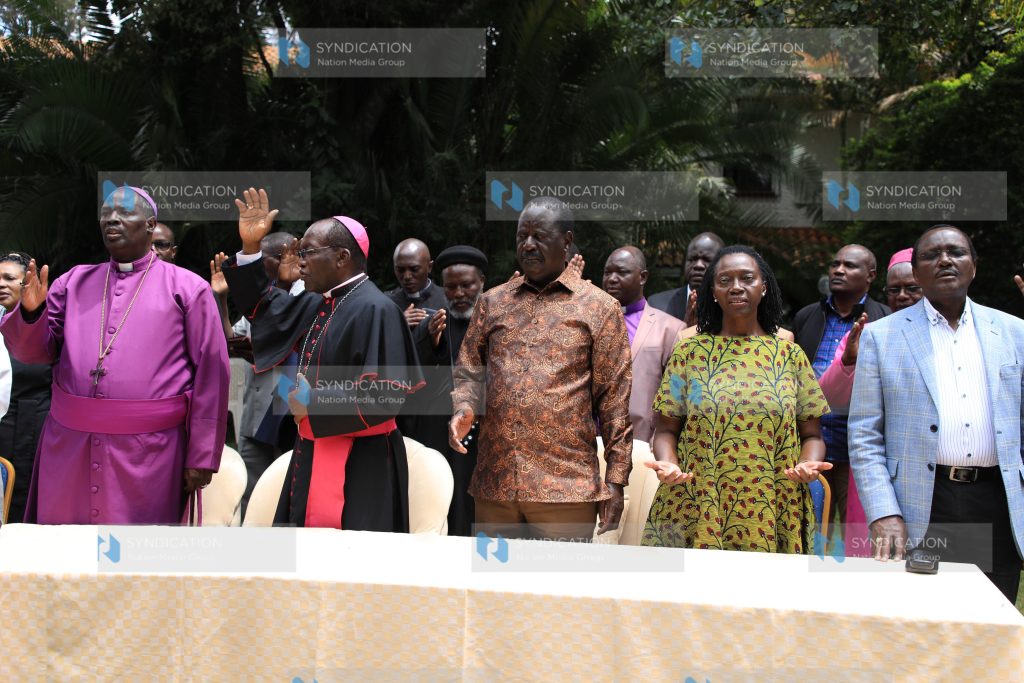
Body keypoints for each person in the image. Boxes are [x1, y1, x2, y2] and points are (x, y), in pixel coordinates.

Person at [0, 186, 229, 524]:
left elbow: (213, 373)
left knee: (138, 549)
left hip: (150, 453)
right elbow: (33, 353)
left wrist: (202, 454)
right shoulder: (73, 282)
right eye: (106, 214)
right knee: (65, 546)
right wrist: (32, 314)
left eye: (124, 213)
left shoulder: (188, 288)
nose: (112, 220)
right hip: (69, 448)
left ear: (150, 225)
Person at [222, 188, 423, 531]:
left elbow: (386, 397)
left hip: (362, 465)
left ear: (342, 257)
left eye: (308, 252)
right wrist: (251, 249)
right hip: (313, 451)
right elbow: (266, 311)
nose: (299, 261)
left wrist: (312, 402)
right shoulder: (322, 302)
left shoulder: (377, 309)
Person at [850, 225, 1024, 602]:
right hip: (921, 503)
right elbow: (864, 434)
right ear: (916, 271)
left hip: (997, 501)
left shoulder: (1015, 332)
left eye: (956, 253)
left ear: (974, 266)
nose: (945, 260)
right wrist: (883, 512)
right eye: (932, 255)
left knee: (991, 619)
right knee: (922, 618)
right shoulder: (881, 337)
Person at [450, 197, 632, 542]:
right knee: (495, 577)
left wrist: (616, 480)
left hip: (566, 489)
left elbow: (614, 400)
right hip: (496, 484)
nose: (528, 245)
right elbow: (469, 370)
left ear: (566, 241)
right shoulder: (492, 302)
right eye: (522, 236)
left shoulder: (599, 307)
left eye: (539, 236)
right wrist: (464, 407)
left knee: (557, 578)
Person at [642, 245, 831, 552]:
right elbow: (665, 430)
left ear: (763, 287)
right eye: (725, 280)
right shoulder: (688, 353)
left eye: (747, 278)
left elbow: (812, 435)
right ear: (713, 292)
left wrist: (807, 463)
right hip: (695, 501)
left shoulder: (789, 356)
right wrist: (669, 464)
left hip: (773, 502)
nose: (736, 287)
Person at [817, 247, 922, 556]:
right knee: (864, 550)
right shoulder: (872, 332)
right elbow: (828, 395)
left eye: (912, 289)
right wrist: (849, 361)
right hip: (872, 458)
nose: (902, 296)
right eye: (894, 290)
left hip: (921, 462)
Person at [793, 244, 890, 540]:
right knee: (809, 531)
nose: (839, 270)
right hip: (810, 441)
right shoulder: (807, 316)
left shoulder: (884, 320)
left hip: (857, 447)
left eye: (850, 265)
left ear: (870, 275)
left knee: (856, 536)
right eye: (835, 264)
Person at [210, 232, 303, 514]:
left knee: (292, 497)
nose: (256, 268)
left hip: (295, 416)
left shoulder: (310, 295)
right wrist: (221, 299)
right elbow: (229, 339)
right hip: (258, 416)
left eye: (260, 261)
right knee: (252, 497)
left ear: (283, 257)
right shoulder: (260, 302)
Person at [402, 245, 488, 536]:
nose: (459, 293)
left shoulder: (495, 323)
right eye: (451, 287)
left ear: (482, 283)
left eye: (467, 285)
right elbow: (410, 376)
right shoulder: (432, 322)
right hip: (435, 433)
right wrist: (429, 340)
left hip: (481, 433)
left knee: (474, 508)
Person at [602, 246, 685, 443]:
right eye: (607, 272)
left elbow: (681, 395)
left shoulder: (671, 328)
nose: (612, 279)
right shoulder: (590, 322)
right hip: (590, 445)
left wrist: (661, 442)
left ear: (643, 277)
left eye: (621, 272)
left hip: (643, 444)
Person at [0, 252, 52, 523]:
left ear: (29, 282)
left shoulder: (49, 322)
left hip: (37, 424)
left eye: (9, 278)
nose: (1, 284)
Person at [648, 232, 724, 326]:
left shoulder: (731, 305)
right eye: (692, 259)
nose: (698, 265)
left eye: (707, 259)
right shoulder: (657, 304)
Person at [388, 238, 447, 329]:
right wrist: (398, 323)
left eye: (414, 269)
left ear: (429, 267)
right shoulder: (388, 302)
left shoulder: (447, 299)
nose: (407, 276)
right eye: (400, 270)